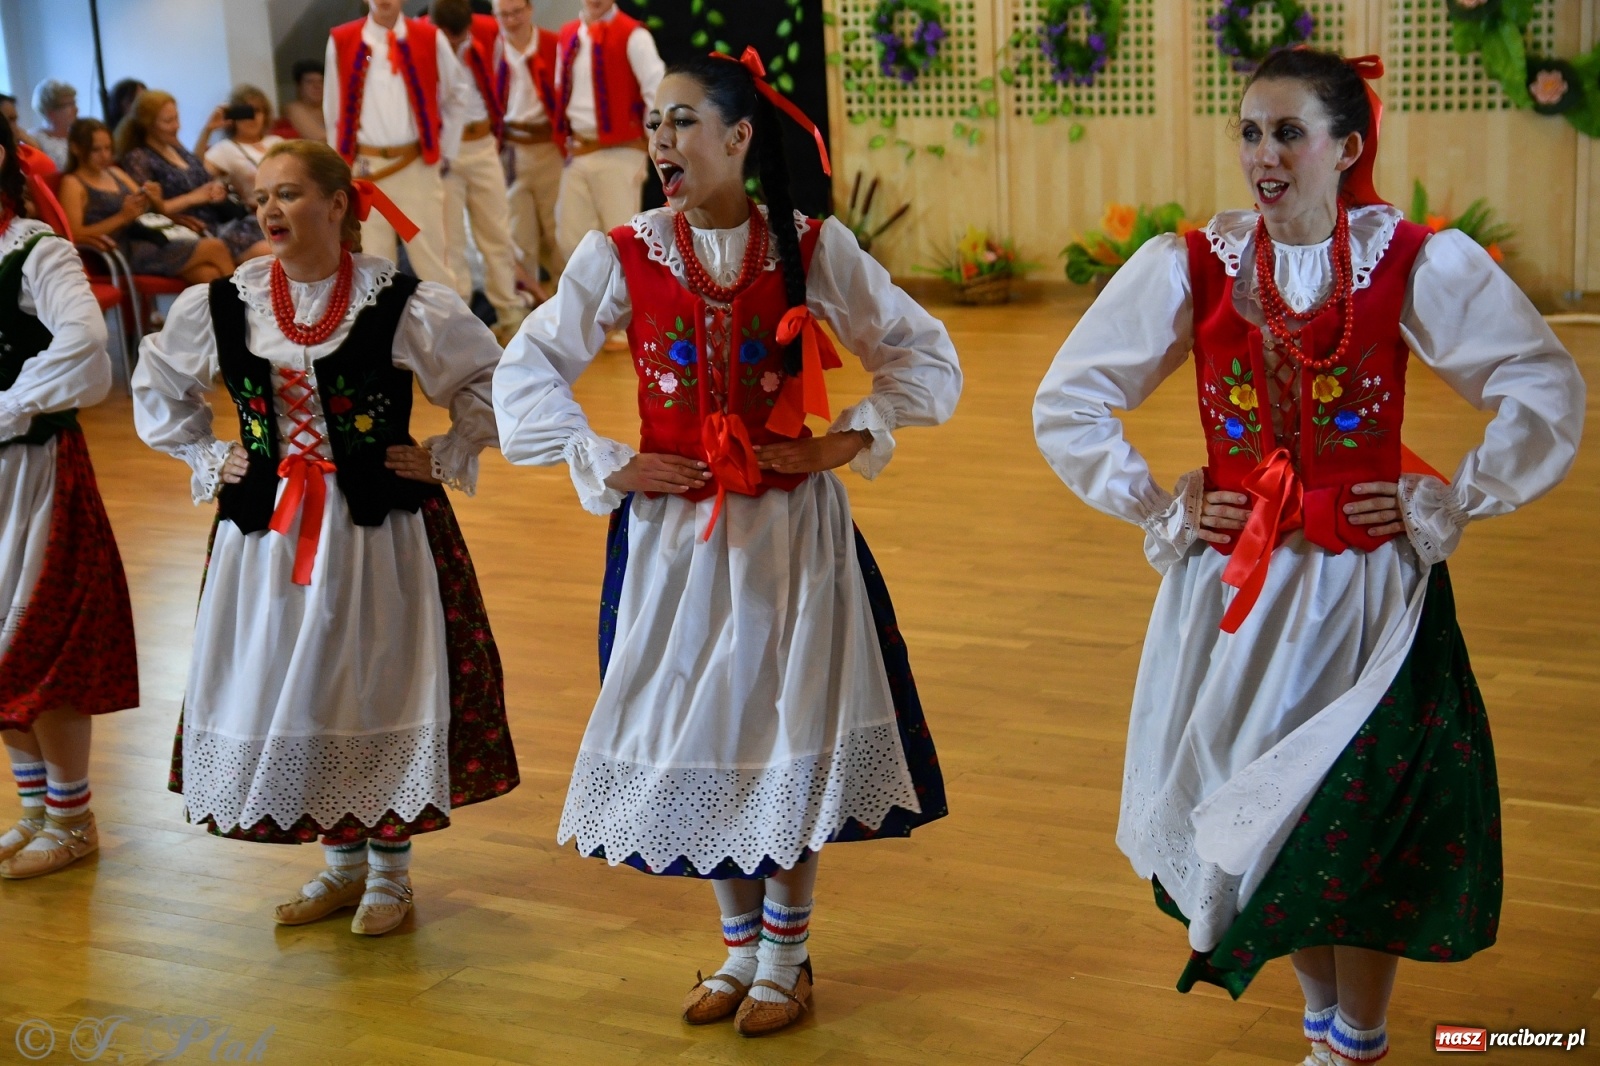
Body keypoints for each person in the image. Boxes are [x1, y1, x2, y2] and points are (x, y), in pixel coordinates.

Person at [1032, 49, 1584, 1066]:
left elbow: (1540, 382)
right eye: (1250, 132)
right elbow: (1070, 399)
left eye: (1289, 132)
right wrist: (1159, 503)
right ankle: (1324, 1029)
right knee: (1269, 820)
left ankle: (1357, 1042)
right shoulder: (1193, 264)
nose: (1264, 154)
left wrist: (1450, 496)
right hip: (1236, 594)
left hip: (1362, 590)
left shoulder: (1406, 260)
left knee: (1354, 813)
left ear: (1346, 147)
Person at [494, 50, 959, 1036]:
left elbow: (923, 355)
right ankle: (740, 947)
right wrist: (609, 460)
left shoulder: (809, 246)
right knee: (701, 729)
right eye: (654, 123)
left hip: (790, 534)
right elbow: (526, 370)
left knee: (784, 731)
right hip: (673, 539)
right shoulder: (621, 252)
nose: (661, 140)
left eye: (682, 120)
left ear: (739, 137)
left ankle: (786, 954)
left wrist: (840, 441)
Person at [132, 140, 516, 936]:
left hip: (379, 529)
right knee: (299, 685)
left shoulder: (401, 302)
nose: (269, 210)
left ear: (339, 204)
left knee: (377, 680)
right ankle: (341, 867)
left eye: (288, 193)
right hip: (266, 535)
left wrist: (448, 450)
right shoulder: (226, 302)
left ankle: (390, 876)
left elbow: (492, 379)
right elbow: (159, 385)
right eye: (261, 197)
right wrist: (209, 454)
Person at [0, 115, 140, 881]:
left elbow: (85, 343)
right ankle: (34, 809)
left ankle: (72, 817)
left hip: (33, 469)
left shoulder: (35, 249)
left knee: (40, 641)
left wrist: (10, 406)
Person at [324, 0, 475, 289]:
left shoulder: (429, 37)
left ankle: (446, 317)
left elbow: (457, 93)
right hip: (366, 171)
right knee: (374, 265)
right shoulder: (342, 39)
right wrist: (340, 168)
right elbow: (333, 112)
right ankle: (386, 319)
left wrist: (444, 150)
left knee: (432, 259)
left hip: (416, 166)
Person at [432, 0, 527, 340]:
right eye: (450, 37)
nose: (457, 42)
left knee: (496, 233)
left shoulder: (488, 30)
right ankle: (460, 322)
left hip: (483, 142)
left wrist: (497, 130)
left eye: (462, 36)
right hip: (443, 150)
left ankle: (510, 312)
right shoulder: (421, 38)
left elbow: (501, 78)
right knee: (451, 240)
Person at [550, 0, 664, 263]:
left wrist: (653, 143)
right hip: (579, 150)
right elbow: (560, 88)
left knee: (620, 239)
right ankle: (589, 291)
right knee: (570, 239)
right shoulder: (568, 34)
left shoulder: (634, 35)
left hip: (620, 152)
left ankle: (625, 291)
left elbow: (656, 93)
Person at [59, 119, 235, 282]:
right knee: (215, 247)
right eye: (96, 150)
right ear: (76, 149)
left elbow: (150, 207)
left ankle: (228, 304)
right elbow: (74, 234)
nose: (105, 156)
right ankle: (242, 302)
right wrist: (121, 218)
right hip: (120, 249)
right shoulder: (73, 183)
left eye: (108, 148)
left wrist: (155, 198)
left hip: (149, 237)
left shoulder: (114, 172)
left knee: (208, 274)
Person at [118, 90, 270, 264]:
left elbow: (197, 171)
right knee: (269, 252)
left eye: (176, 118)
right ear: (148, 125)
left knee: (279, 238)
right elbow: (148, 210)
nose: (177, 126)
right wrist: (194, 197)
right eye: (168, 121)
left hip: (219, 219)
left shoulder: (175, 147)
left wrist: (215, 190)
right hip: (195, 228)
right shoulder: (139, 158)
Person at [494, 0, 563, 288]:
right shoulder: (491, 50)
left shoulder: (554, 44)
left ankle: (569, 298)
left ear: (530, 9)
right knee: (519, 233)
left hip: (549, 148)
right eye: (504, 15)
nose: (512, 20)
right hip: (511, 151)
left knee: (558, 230)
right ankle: (531, 301)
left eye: (517, 12)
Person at [201, 86, 286, 203]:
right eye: (246, 112)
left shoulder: (277, 142)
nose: (252, 118)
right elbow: (197, 173)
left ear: (265, 115)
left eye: (257, 111)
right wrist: (207, 130)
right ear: (234, 116)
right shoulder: (225, 149)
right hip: (255, 208)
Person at [29, 80, 77, 172]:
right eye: (69, 105)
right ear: (50, 112)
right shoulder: (34, 139)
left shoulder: (78, 135)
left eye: (74, 103)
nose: (76, 109)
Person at [279, 61, 327, 142]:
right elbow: (319, 138)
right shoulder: (293, 108)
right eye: (310, 82)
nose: (317, 86)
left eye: (321, 82)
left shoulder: (330, 108)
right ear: (299, 86)